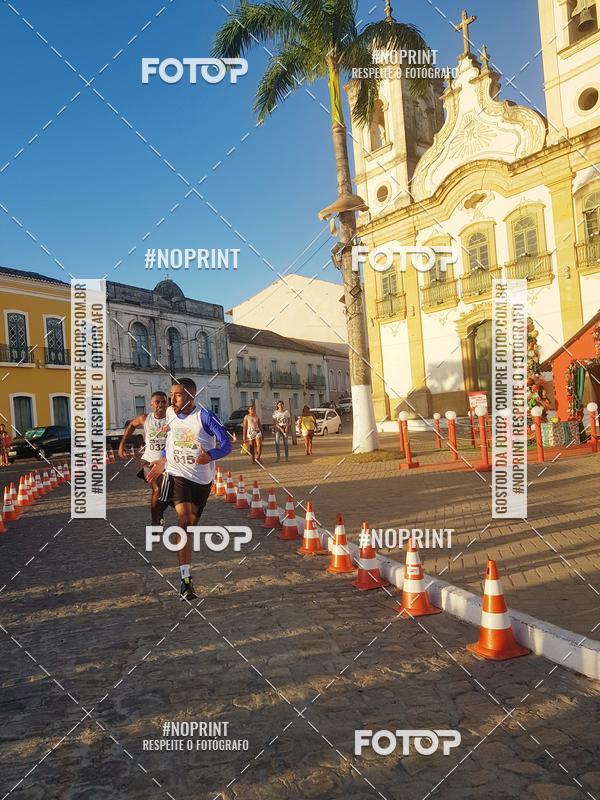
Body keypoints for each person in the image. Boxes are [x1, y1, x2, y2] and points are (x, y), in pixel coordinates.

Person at [146, 378, 231, 600]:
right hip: (178, 476)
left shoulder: (205, 416)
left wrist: (210, 456)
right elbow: (170, 440)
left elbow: (227, 444)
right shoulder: (171, 415)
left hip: (201, 482)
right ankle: (185, 580)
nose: (171, 399)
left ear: (191, 397)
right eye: (171, 394)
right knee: (183, 522)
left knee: (191, 525)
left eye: (178, 395)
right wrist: (163, 459)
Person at [117, 391, 169, 525]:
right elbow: (131, 426)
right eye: (157, 402)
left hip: (167, 462)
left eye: (164, 402)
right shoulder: (145, 418)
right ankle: (154, 522)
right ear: (151, 404)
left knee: (167, 492)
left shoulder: (172, 419)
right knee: (157, 489)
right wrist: (122, 444)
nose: (161, 405)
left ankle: (160, 512)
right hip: (148, 461)